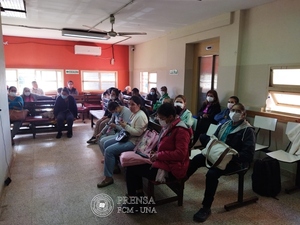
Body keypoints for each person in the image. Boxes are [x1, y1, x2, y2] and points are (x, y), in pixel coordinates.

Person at [186, 103, 255, 222]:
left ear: (243, 115)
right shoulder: (225, 124)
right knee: (197, 159)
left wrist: (228, 156)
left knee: (212, 174)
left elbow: (248, 155)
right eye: (232, 110)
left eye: (238, 111)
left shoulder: (247, 131)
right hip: (216, 155)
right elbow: (214, 139)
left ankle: (206, 207)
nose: (234, 113)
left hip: (233, 161)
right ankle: (180, 180)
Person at [124, 103, 192, 212]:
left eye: (161, 118)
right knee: (133, 164)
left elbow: (180, 154)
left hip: (173, 168)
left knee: (131, 169)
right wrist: (154, 151)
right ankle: (139, 195)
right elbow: (164, 144)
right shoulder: (169, 126)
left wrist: (159, 155)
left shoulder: (181, 130)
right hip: (164, 161)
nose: (160, 120)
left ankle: (134, 203)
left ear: (170, 117)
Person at [97, 96, 148, 188]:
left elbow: (138, 133)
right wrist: (125, 125)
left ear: (139, 105)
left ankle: (108, 178)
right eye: (129, 104)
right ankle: (114, 166)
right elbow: (130, 127)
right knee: (106, 143)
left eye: (133, 104)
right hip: (128, 137)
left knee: (109, 150)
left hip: (134, 142)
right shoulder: (134, 113)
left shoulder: (140, 116)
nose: (130, 106)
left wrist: (125, 126)